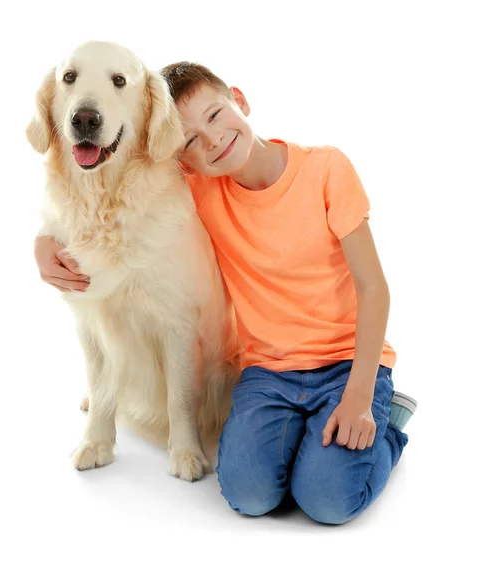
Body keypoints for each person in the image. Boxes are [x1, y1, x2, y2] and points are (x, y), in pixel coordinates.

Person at [34, 61, 417, 525]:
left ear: (239, 98)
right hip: (267, 372)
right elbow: (111, 204)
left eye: (215, 115)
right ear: (178, 158)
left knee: (326, 501)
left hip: (347, 363)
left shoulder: (326, 168)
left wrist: (357, 399)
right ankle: (308, 437)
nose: (212, 140)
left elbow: (373, 287)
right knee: (250, 496)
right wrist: (44, 238)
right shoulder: (196, 191)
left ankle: (388, 425)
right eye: (190, 140)